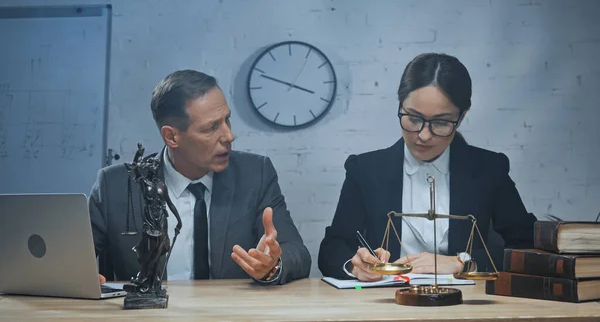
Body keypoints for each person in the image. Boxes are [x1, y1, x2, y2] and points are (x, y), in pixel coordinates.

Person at [318, 53, 537, 281]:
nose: (423, 135)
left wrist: (461, 261)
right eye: (413, 118)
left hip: (465, 305)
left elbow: (528, 248)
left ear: (461, 118)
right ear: (400, 106)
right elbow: (332, 248)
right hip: (384, 303)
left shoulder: (489, 169)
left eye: (441, 122)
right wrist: (356, 266)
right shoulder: (363, 170)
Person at [90, 69, 311, 285]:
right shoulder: (116, 185)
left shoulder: (255, 174)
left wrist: (272, 266)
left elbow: (297, 253)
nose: (229, 136)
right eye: (212, 127)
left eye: (227, 120)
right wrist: (83, 277)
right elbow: (71, 260)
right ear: (172, 136)